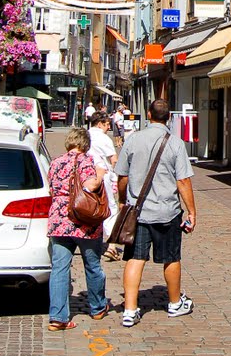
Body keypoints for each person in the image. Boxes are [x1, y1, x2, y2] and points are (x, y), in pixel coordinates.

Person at [115, 99, 196, 328]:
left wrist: (123, 200)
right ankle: (174, 303)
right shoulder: (176, 144)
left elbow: (122, 177)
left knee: (135, 258)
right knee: (171, 257)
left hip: (138, 212)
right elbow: (183, 181)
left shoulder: (133, 140)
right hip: (167, 211)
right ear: (169, 117)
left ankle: (130, 309)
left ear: (148, 114)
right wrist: (191, 211)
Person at [47, 127, 110, 331]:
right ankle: (98, 307)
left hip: (59, 220)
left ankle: (58, 317)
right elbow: (90, 186)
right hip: (83, 221)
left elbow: (51, 189)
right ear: (85, 144)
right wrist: (100, 174)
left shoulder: (56, 162)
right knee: (92, 265)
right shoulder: (85, 161)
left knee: (59, 268)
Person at [88, 111, 121, 262]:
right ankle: (112, 245)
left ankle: (87, 241)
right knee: (110, 208)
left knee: (89, 207)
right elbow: (113, 159)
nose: (109, 127)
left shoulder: (85, 135)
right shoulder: (103, 138)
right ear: (100, 124)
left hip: (86, 174)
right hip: (103, 174)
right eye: (107, 124)